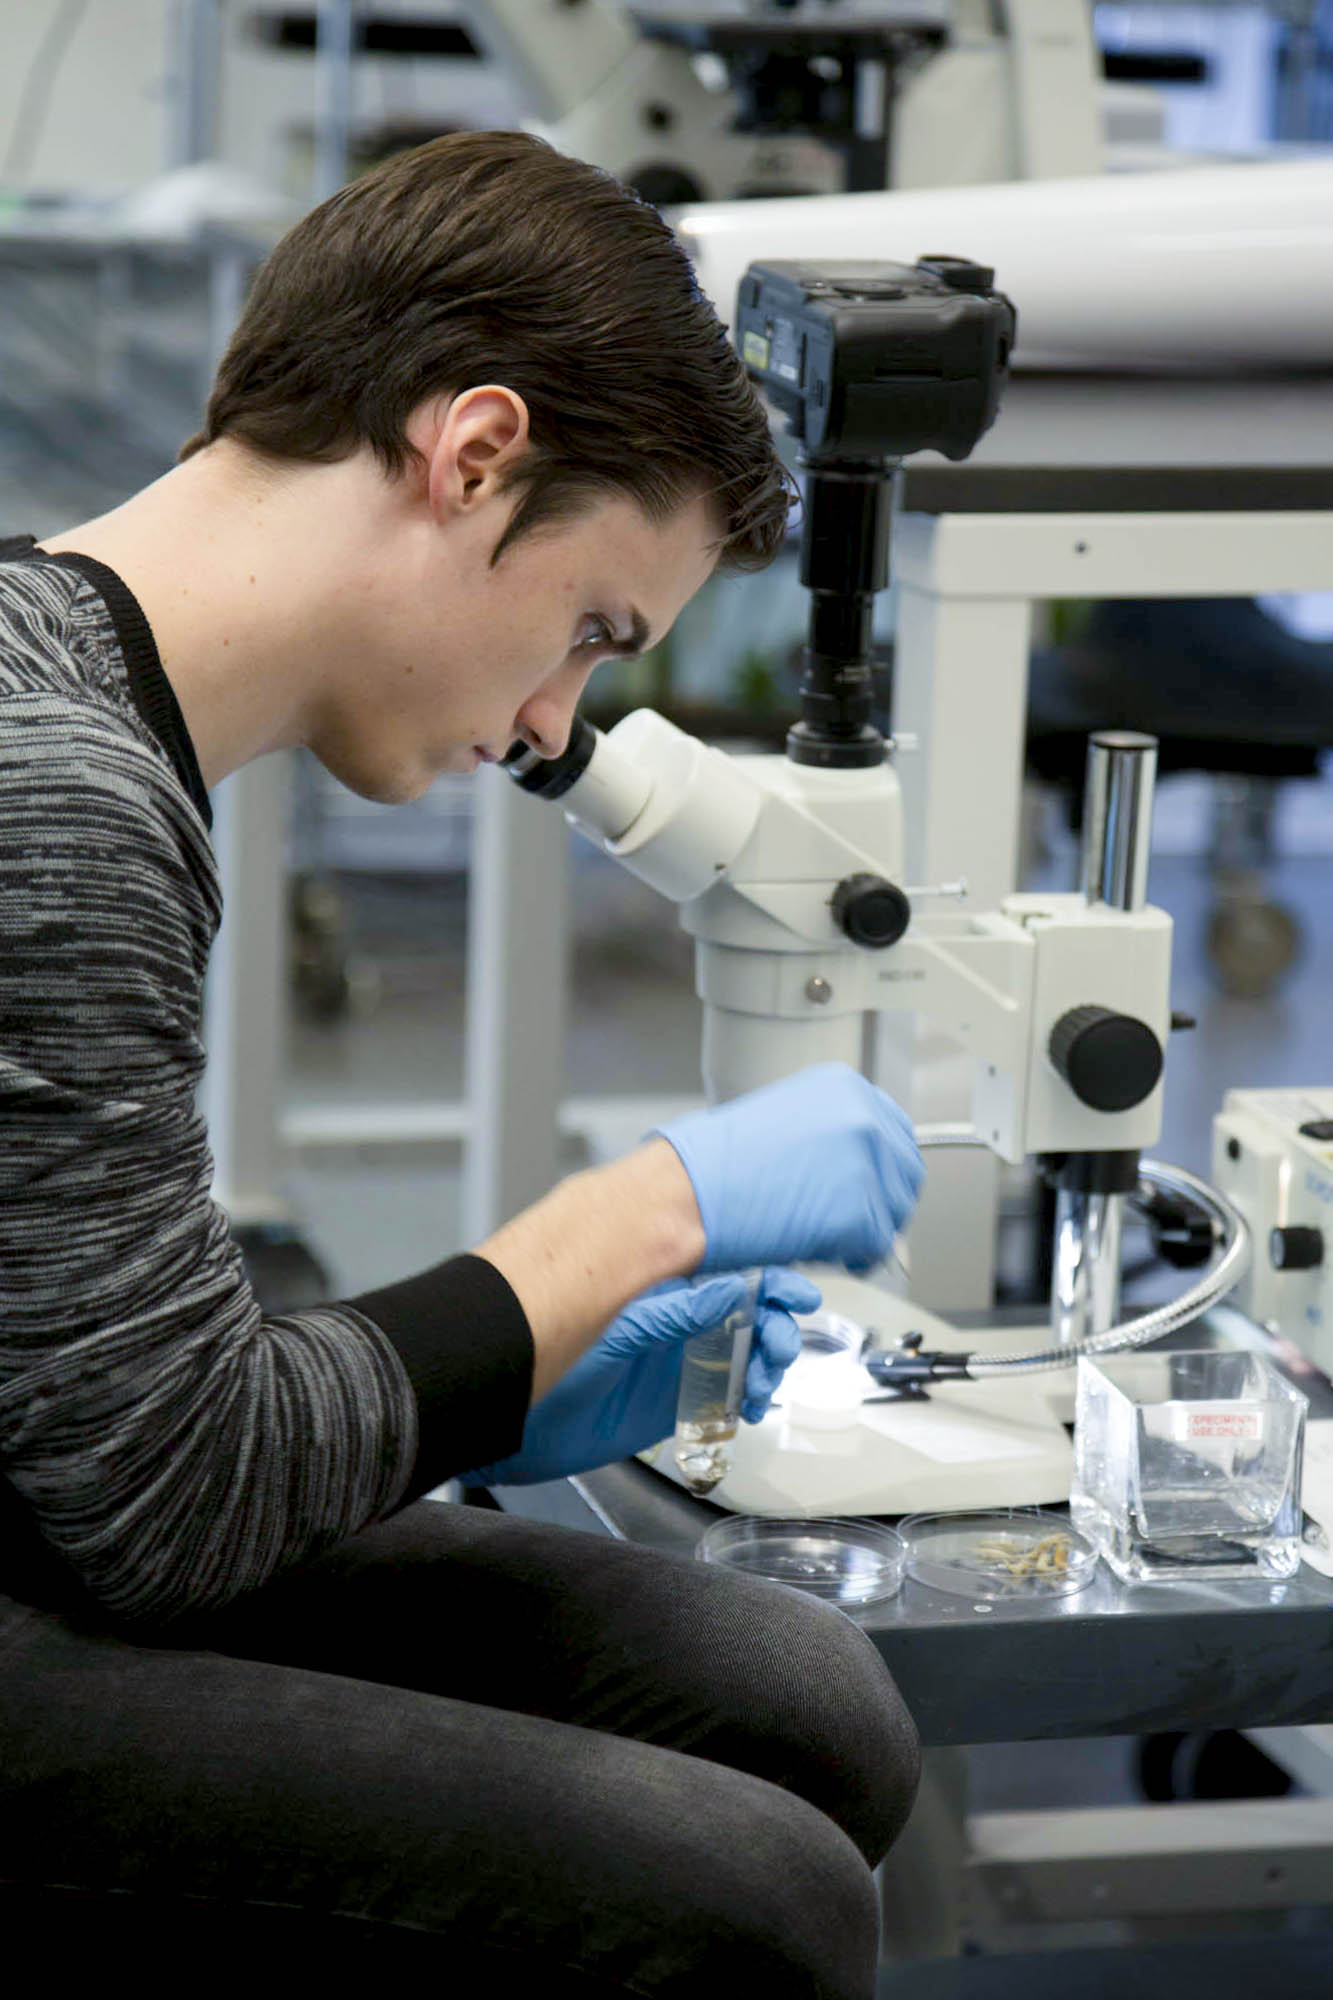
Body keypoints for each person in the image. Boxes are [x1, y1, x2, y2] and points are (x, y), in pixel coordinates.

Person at [0, 130, 926, 1993]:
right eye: (588, 631)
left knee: (796, 1691)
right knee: (755, 1898)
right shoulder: (62, 800)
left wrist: (510, 1388)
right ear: (472, 452)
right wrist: (632, 1225)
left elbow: (96, 1390)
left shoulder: (65, 681)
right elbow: (163, 1503)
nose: (545, 723)